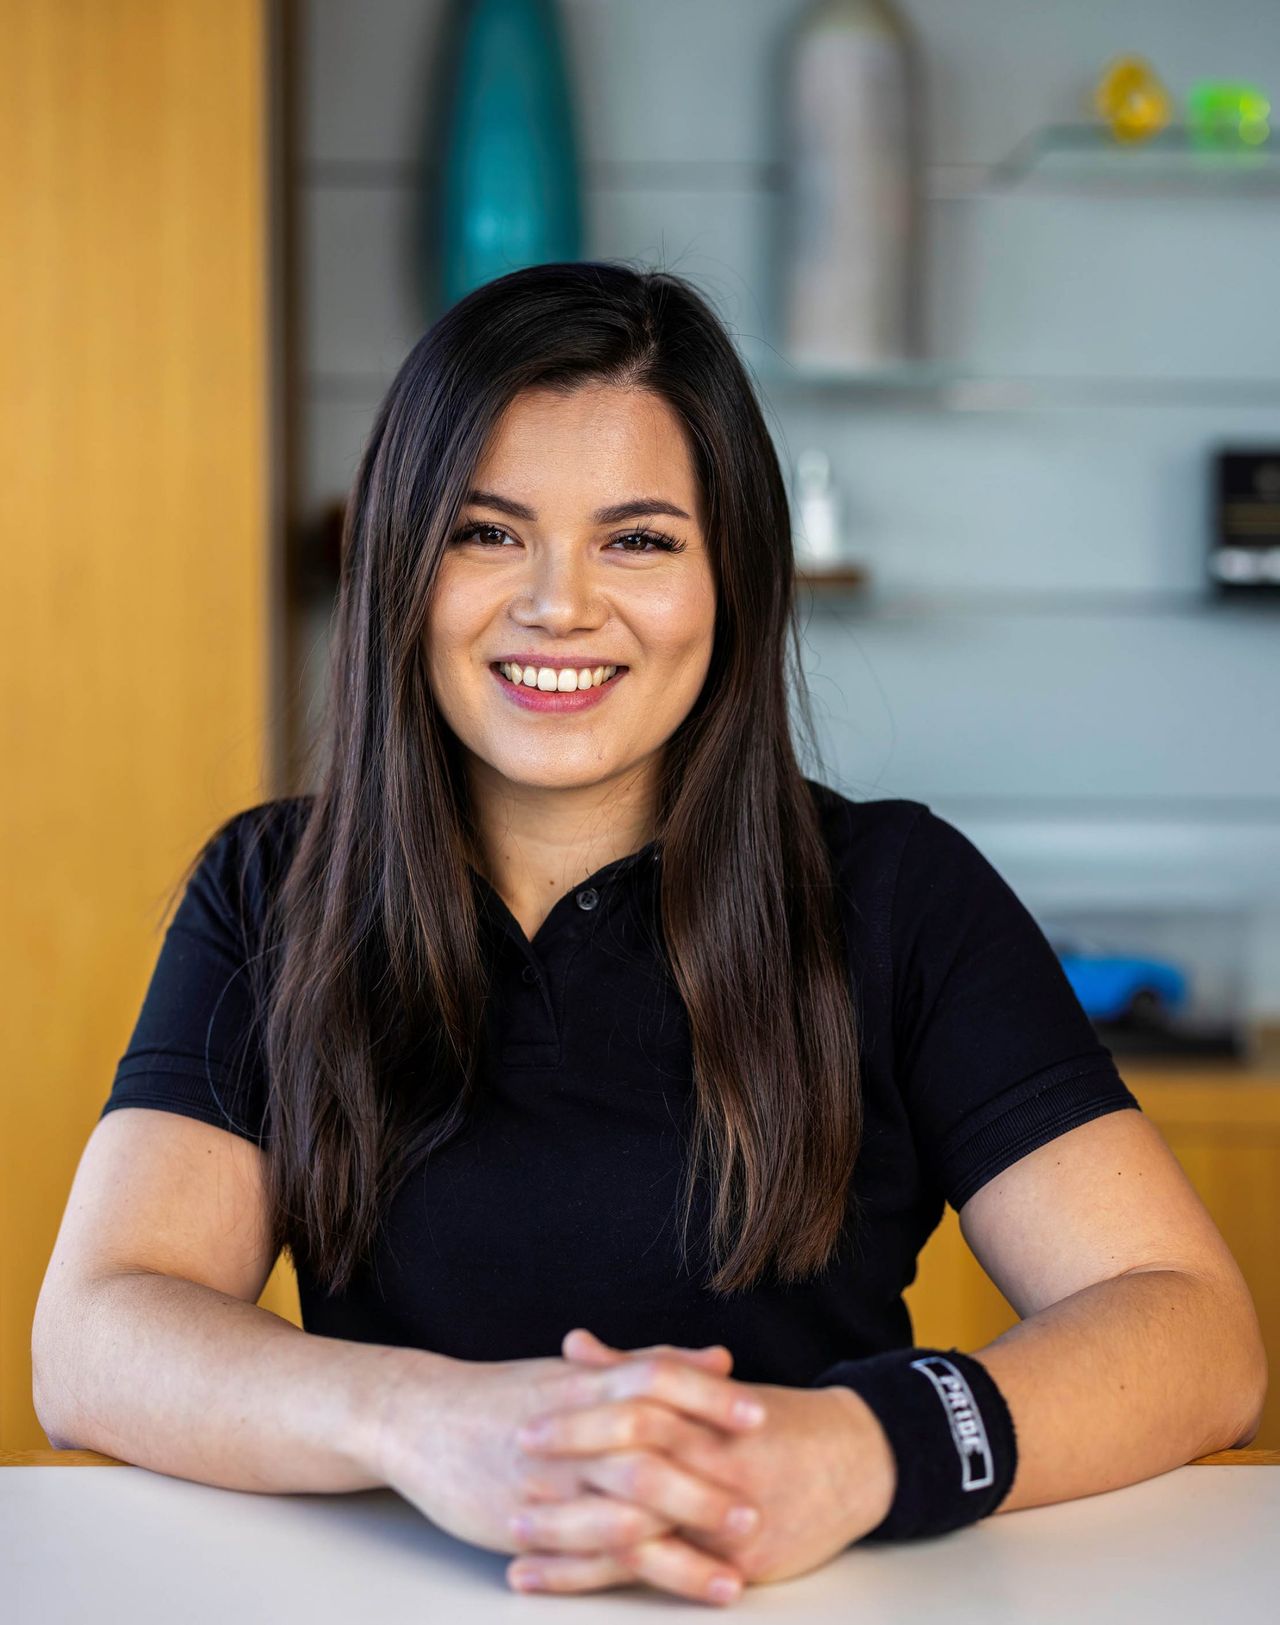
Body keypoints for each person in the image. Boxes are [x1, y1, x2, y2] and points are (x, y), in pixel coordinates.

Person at [36, 262, 1266, 1608]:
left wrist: (861, 1447)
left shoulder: (902, 891)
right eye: (485, 531)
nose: (559, 605)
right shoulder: (276, 890)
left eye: (639, 539)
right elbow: (97, 1337)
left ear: (733, 575)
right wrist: (416, 1419)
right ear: (398, 559)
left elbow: (1194, 1326)